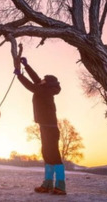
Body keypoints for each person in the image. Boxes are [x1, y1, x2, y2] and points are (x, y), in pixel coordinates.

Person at [15, 55, 66, 195]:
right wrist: (26, 65)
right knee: (47, 155)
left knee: (54, 156)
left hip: (50, 129)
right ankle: (48, 184)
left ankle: (61, 186)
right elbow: (35, 79)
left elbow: (31, 86)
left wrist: (20, 76)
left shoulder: (44, 90)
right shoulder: (44, 87)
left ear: (47, 83)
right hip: (45, 127)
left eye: (44, 79)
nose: (41, 80)